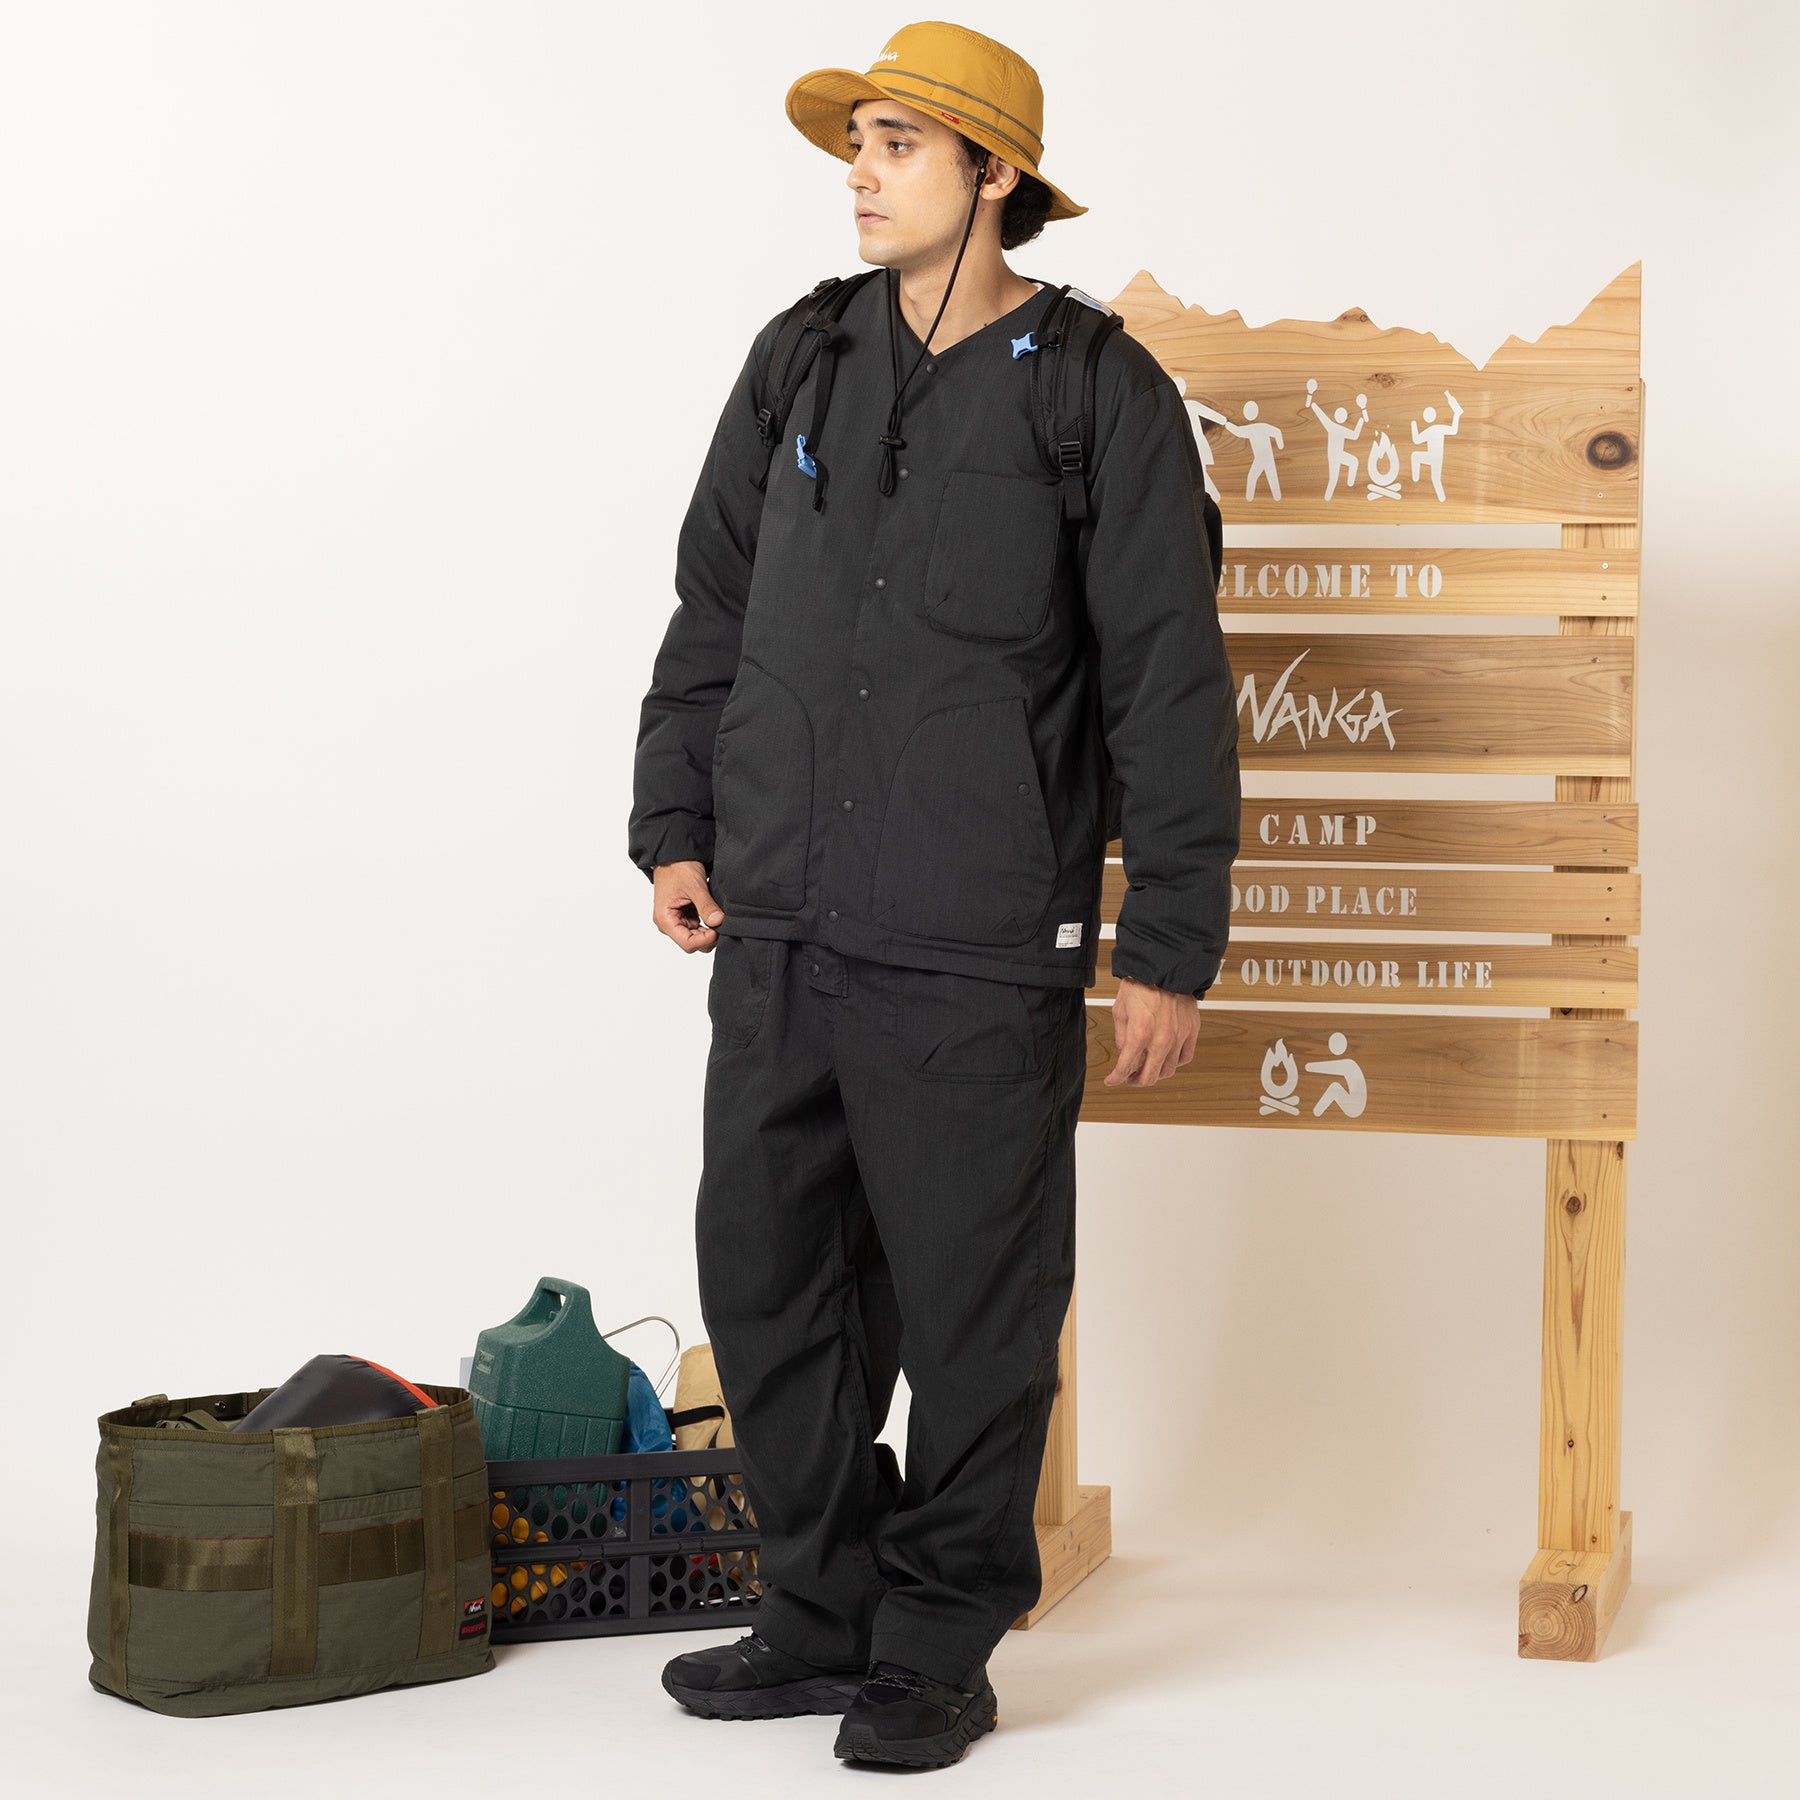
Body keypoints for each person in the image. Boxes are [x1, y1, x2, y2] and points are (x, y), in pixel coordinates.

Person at [627, 19, 1239, 1771]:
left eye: (900, 144)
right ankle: (819, 1614)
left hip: (978, 941)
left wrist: (1167, 942)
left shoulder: (1094, 392)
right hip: (782, 921)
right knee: (769, 1286)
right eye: (860, 140)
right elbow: (714, 607)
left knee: (975, 1316)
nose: (861, 171)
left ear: (994, 177)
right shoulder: (801, 358)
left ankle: (941, 1645)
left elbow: (1167, 681)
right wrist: (676, 822)